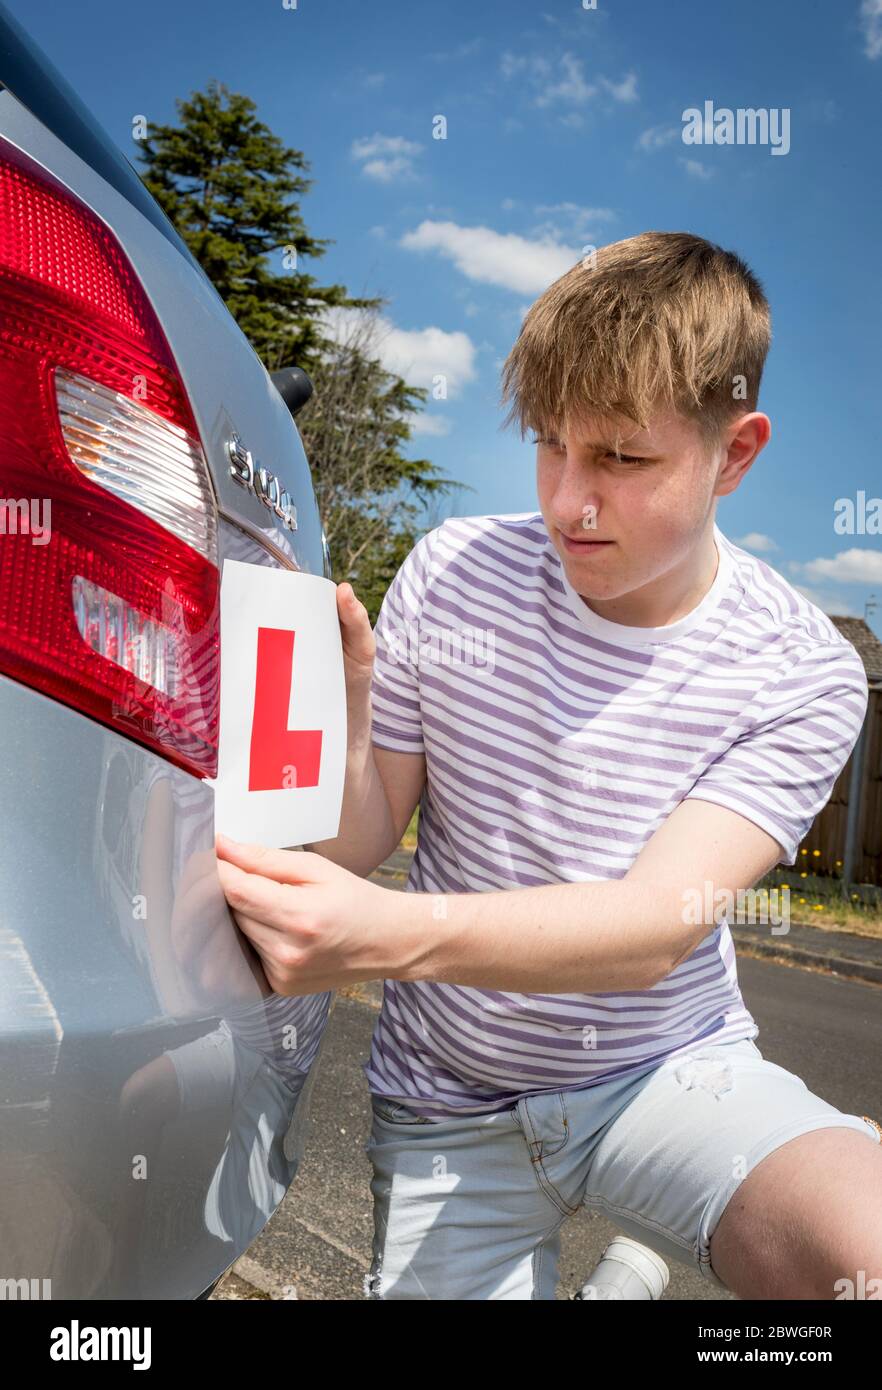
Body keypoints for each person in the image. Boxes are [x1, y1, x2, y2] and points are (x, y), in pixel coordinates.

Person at [215, 230, 882, 1300]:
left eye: (621, 458)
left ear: (737, 451)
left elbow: (654, 926)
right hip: (447, 1094)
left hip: (667, 1073)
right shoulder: (454, 572)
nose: (570, 501)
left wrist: (385, 936)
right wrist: (343, 728)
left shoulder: (802, 666)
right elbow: (368, 827)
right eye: (549, 445)